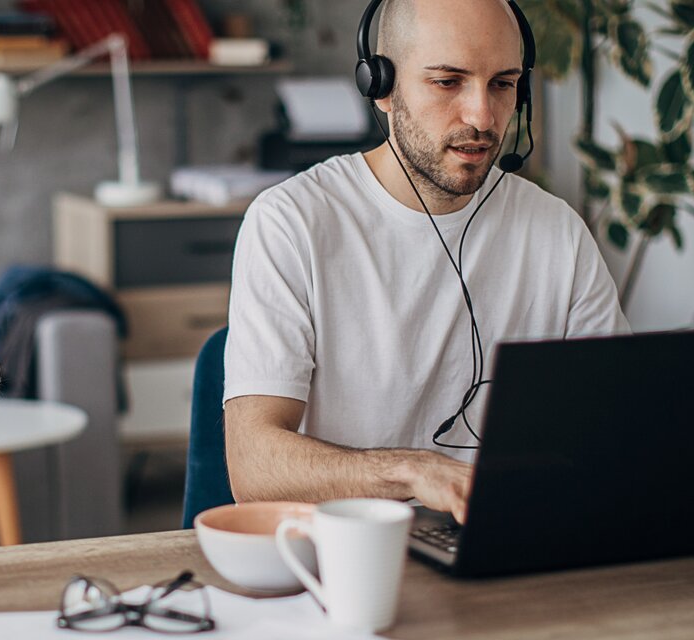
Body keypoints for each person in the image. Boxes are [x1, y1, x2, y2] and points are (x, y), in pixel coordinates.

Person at [223, 0, 629, 524]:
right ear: (382, 86)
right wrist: (413, 472)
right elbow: (252, 469)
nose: (482, 117)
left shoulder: (557, 231)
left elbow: (615, 426)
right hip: (348, 560)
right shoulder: (292, 222)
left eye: (503, 84)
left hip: (512, 542)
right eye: (447, 82)